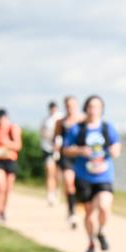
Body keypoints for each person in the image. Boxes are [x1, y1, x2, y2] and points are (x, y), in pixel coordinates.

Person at [62, 95, 121, 252]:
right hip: (84, 176)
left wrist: (115, 150)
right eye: (91, 106)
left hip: (104, 175)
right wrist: (80, 150)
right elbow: (66, 149)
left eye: (97, 107)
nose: (93, 110)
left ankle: (101, 231)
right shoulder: (78, 129)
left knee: (104, 206)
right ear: (86, 108)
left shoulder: (107, 128)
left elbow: (117, 146)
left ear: (101, 109)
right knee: (89, 212)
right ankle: (90, 242)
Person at [55, 96, 85, 229]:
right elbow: (56, 139)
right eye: (67, 105)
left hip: (81, 157)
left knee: (79, 185)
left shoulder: (84, 120)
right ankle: (72, 211)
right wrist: (56, 148)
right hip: (66, 156)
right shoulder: (60, 122)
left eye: (72, 105)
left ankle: (78, 206)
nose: (70, 108)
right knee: (69, 182)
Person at [40, 101, 63, 206]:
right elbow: (42, 132)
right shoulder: (45, 120)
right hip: (48, 148)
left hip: (60, 149)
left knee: (57, 174)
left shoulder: (61, 117)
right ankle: (50, 194)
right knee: (49, 171)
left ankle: (56, 190)